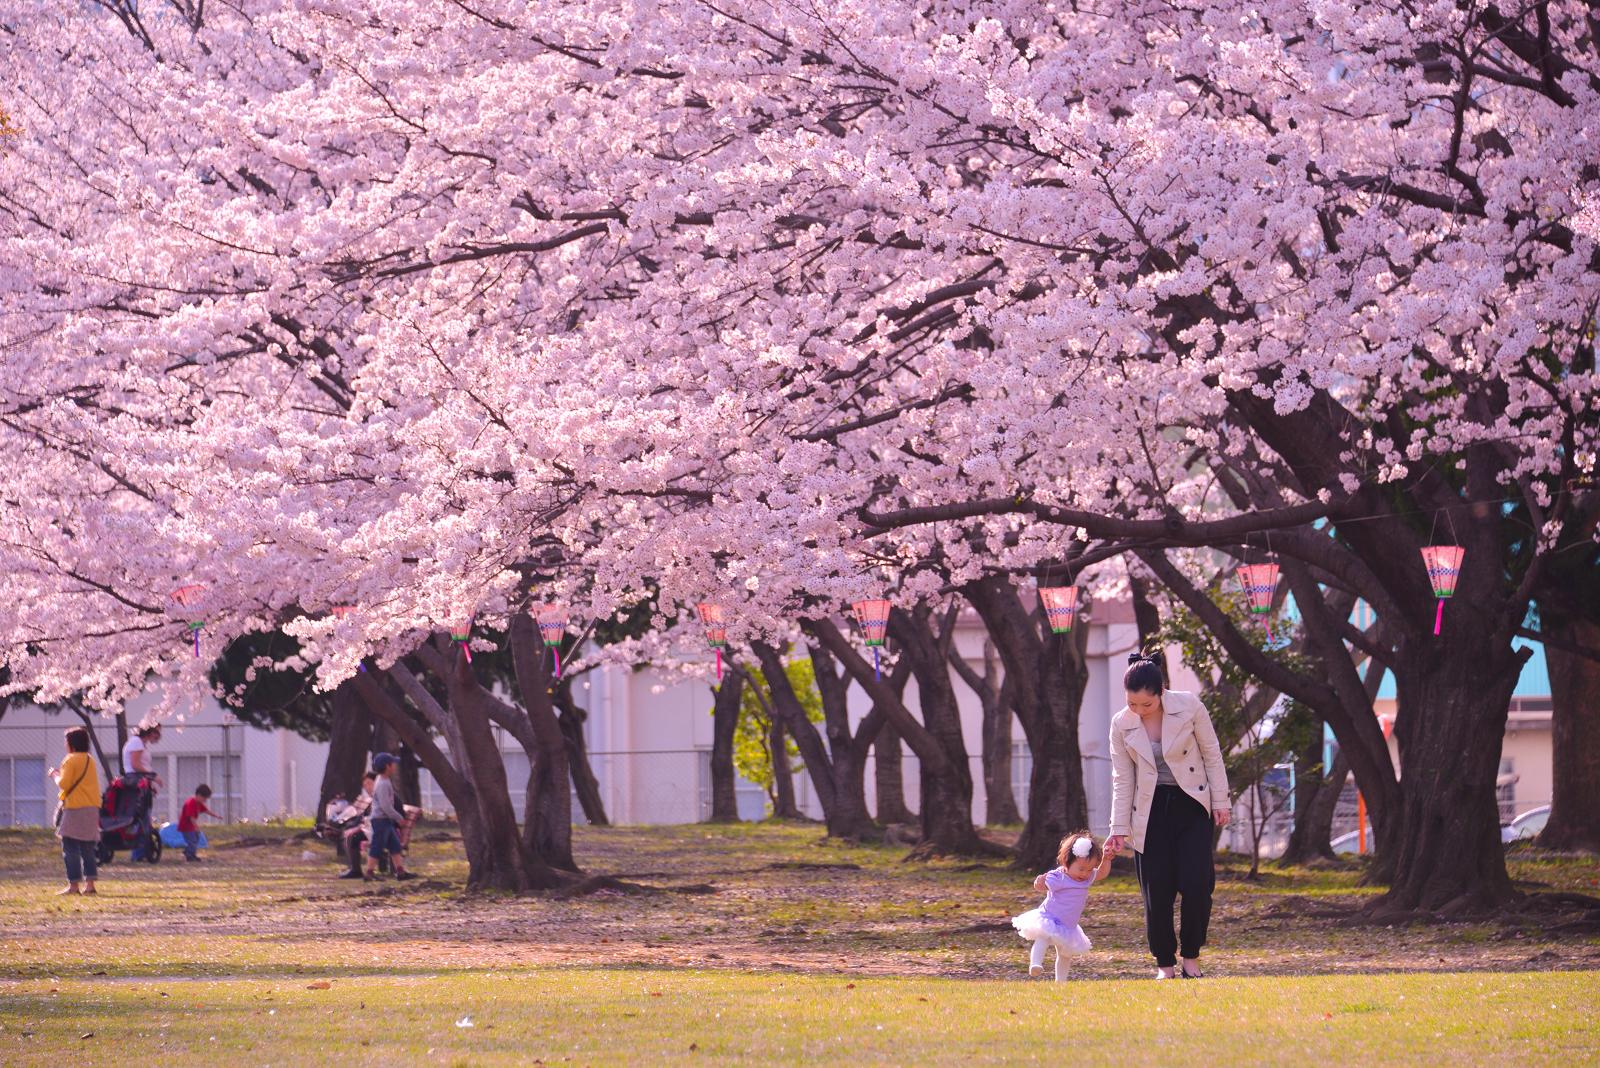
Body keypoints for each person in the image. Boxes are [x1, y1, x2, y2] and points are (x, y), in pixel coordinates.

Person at [1105, 653, 1231, 979]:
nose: (1139, 710)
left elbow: (1212, 754)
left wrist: (1221, 802)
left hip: (1192, 803)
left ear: (1161, 692)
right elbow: (1123, 778)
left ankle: (1191, 957)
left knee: (1197, 884)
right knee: (1156, 891)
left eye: (1146, 704)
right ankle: (1165, 965)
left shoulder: (1189, 706)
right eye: (1132, 703)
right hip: (1147, 810)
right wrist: (1118, 828)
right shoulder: (1121, 723)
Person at [1012, 831, 1114, 981]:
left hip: (1069, 925)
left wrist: (1106, 859)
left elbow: (1102, 873)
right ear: (1066, 862)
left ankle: (1061, 981)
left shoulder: (1087, 878)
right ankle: (1035, 964)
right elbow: (1042, 886)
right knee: (1043, 938)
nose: (1085, 873)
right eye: (1081, 869)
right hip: (1050, 917)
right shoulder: (1059, 877)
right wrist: (1039, 883)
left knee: (1065, 954)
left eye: (1089, 869)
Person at [50, 727, 103, 896]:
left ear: (71, 744)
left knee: (70, 846)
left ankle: (73, 886)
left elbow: (64, 784)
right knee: (88, 847)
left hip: (75, 808)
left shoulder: (70, 760)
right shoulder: (90, 760)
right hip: (92, 807)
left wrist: (54, 775)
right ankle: (90, 885)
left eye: (66, 741)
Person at [364, 754, 415, 881]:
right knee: (377, 846)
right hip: (380, 820)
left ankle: (400, 872)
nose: (394, 766)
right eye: (393, 764)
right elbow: (386, 806)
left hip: (385, 819)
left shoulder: (383, 780)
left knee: (394, 845)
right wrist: (399, 818)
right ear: (387, 766)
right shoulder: (382, 783)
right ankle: (369, 873)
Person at [338, 772, 377, 880]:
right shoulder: (372, 799)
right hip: (372, 829)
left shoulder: (382, 796)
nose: (368, 788)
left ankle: (355, 870)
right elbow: (363, 817)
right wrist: (352, 826)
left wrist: (358, 827)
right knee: (349, 834)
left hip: (381, 831)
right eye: (365, 786)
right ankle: (354, 869)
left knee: (353, 836)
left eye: (370, 783)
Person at [178, 783, 217, 862]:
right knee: (192, 840)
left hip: (191, 826)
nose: (205, 801)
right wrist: (196, 827)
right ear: (199, 795)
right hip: (186, 826)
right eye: (204, 798)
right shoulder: (191, 803)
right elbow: (191, 818)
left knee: (196, 838)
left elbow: (206, 810)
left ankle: (189, 852)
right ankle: (189, 856)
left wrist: (215, 815)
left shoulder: (198, 803)